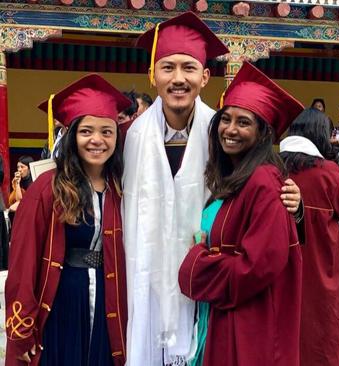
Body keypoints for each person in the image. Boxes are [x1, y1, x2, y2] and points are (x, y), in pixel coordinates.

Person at [124, 12, 302, 365]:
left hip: (208, 290)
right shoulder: (130, 137)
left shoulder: (219, 133)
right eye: (168, 67)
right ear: (152, 74)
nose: (178, 79)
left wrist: (294, 207)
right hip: (146, 280)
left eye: (188, 68)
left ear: (205, 76)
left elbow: (259, 208)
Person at [178, 61, 303, 366]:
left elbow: (259, 265)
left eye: (244, 122)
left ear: (262, 133)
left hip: (248, 319)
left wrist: (197, 263)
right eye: (226, 119)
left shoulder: (262, 180)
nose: (230, 130)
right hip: (225, 311)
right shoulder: (233, 177)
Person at [4, 74, 131, 365]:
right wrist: (21, 330)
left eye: (107, 132)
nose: (97, 140)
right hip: (62, 301)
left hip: (110, 300)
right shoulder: (47, 188)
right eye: (86, 131)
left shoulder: (122, 188)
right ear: (72, 135)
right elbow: (22, 262)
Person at [280, 108, 339, 366]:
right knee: (321, 339)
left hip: (282, 272)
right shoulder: (329, 174)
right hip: (320, 273)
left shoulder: (272, 169)